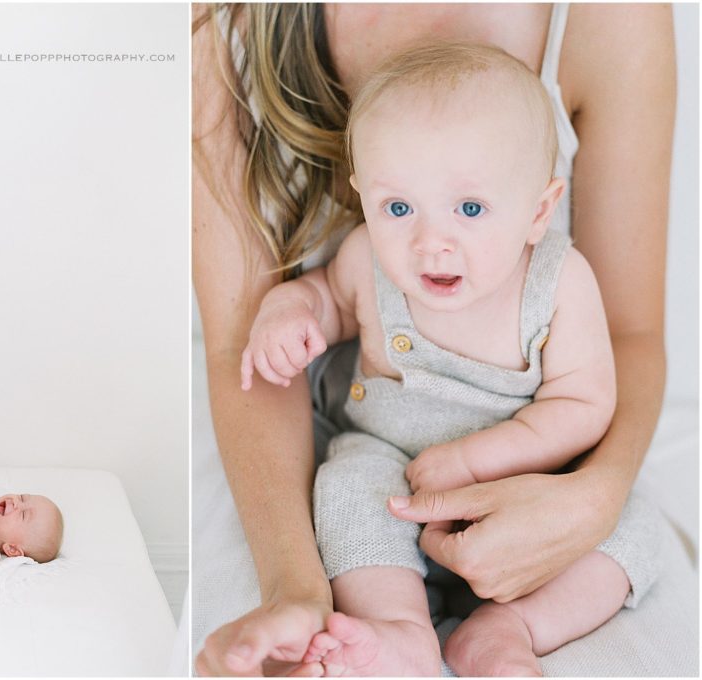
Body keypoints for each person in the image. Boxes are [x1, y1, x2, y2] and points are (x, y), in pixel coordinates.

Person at [193, 4, 677, 675]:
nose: (430, 241)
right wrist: (290, 313)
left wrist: (484, 465)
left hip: (526, 476)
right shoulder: (371, 258)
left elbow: (585, 403)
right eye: (398, 208)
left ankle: (509, 630)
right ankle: (399, 631)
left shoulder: (558, 282)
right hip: (389, 462)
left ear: (540, 210)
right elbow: (327, 300)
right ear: (365, 196)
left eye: (471, 209)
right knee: (345, 491)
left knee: (633, 533)